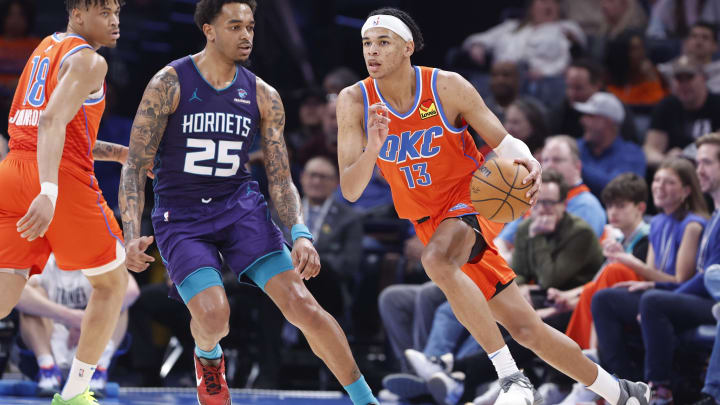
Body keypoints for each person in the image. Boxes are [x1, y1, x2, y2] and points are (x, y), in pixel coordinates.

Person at [336, 6, 651, 405]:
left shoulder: (446, 86)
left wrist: (529, 162)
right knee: (527, 329)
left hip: (470, 200)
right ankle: (624, 393)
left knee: (435, 261)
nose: (372, 51)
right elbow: (350, 188)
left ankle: (511, 379)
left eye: (383, 42)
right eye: (367, 43)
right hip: (426, 218)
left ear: (407, 47)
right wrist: (373, 148)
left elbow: (504, 142)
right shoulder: (354, 100)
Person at [118, 2, 378, 405]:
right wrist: (130, 234)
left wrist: (301, 234)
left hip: (240, 209)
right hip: (182, 215)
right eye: (235, 26)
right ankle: (208, 358)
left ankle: (365, 400)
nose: (246, 35)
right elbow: (135, 165)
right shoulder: (168, 83)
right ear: (208, 29)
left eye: (251, 27)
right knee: (213, 315)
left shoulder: (263, 95)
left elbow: (279, 177)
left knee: (303, 306)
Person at [0, 1, 133, 404]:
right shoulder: (92, 61)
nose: (114, 21)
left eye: (117, 12)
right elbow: (50, 124)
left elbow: (63, 134)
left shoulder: (45, 46)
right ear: (77, 13)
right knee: (113, 283)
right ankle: (75, 393)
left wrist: (120, 154)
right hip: (58, 180)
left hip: (12, 171)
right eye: (104, 11)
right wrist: (48, 191)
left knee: (4, 296)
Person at [592, 157, 708, 383]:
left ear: (686, 190)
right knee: (603, 299)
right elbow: (651, 272)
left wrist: (631, 262)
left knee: (647, 300)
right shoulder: (657, 222)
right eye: (657, 180)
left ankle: (653, 385)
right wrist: (644, 281)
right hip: (659, 292)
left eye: (669, 182)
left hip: (683, 297)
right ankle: (623, 382)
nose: (659, 187)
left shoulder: (693, 225)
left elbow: (680, 280)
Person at [636, 133, 720, 403]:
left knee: (652, 302)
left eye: (706, 163)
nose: (699, 171)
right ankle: (621, 385)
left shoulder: (696, 222)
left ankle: (662, 389)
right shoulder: (714, 215)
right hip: (704, 297)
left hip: (709, 299)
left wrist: (661, 288)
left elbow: (704, 276)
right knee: (608, 298)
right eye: (698, 163)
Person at [15, 255, 139, 397]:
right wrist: (68, 316)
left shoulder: (100, 260)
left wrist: (87, 321)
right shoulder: (44, 258)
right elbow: (17, 292)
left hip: (94, 349)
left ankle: (98, 370)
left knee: (118, 300)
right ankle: (47, 368)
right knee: (32, 296)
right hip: (48, 345)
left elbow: (132, 290)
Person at [645, 56, 720, 168]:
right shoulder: (666, 106)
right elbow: (649, 150)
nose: (684, 84)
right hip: (677, 172)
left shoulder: (717, 104)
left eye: (689, 78)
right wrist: (667, 160)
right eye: (679, 79)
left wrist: (696, 156)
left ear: (703, 78)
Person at [575, 91, 646, 196]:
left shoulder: (632, 154)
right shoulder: (576, 147)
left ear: (608, 122)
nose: (582, 120)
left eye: (590, 116)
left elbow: (621, 190)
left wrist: (576, 166)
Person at [658, 22, 720, 93]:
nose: (699, 41)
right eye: (694, 36)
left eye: (705, 37)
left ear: (715, 46)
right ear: (686, 43)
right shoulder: (669, 69)